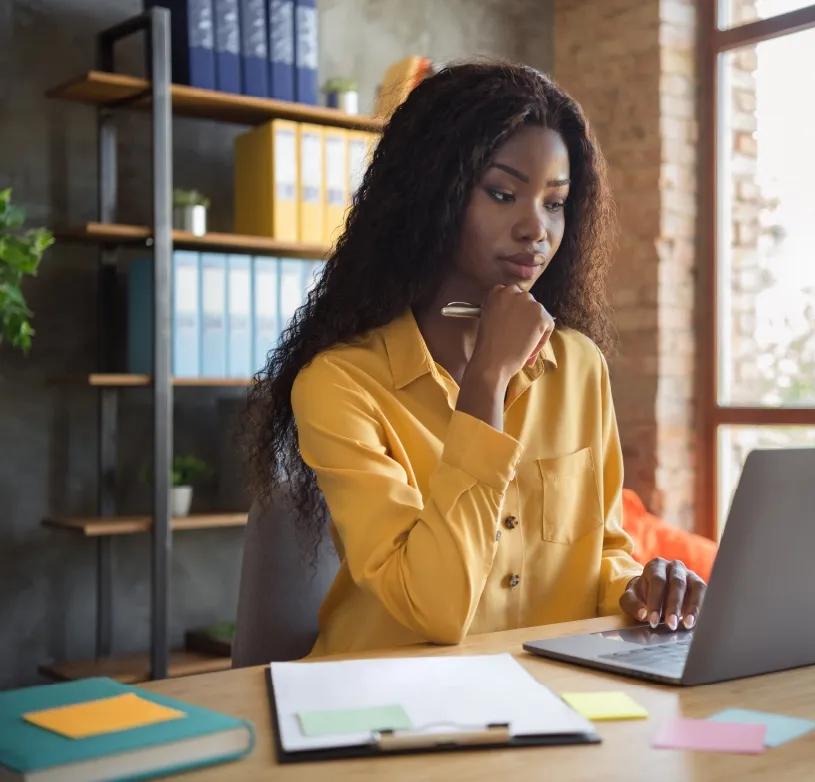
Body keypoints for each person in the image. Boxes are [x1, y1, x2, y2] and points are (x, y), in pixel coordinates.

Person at [244, 61, 707, 656]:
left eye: (555, 203)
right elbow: (435, 608)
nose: (534, 229)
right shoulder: (340, 384)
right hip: (390, 704)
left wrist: (640, 588)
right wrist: (486, 380)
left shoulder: (579, 366)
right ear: (434, 192)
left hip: (552, 698)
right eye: (503, 193)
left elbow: (603, 549)